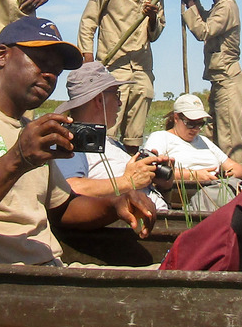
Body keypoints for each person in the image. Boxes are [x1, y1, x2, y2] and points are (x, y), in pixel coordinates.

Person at [0, 17, 155, 264]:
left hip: (49, 269)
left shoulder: (28, 129)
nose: (50, 75)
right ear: (2, 55)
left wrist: (115, 205)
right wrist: (18, 159)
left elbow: (63, 209)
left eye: (57, 71)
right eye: (41, 62)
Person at [77, 0, 178, 150]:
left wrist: (152, 18)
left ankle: (131, 176)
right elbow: (89, 20)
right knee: (106, 132)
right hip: (113, 67)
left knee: (135, 136)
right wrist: (87, 59)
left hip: (142, 70)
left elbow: (156, 34)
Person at [56, 61, 171, 213]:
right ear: (99, 100)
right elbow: (68, 188)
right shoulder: (72, 140)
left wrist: (162, 182)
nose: (119, 103)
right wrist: (127, 181)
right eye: (116, 95)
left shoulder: (111, 143)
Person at [179, 0, 242, 163]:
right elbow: (207, 20)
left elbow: (204, 31)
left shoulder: (227, 7)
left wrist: (191, 3)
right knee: (214, 132)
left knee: (228, 138)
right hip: (220, 79)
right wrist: (194, 1)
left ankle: (235, 181)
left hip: (227, 78)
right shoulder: (221, 6)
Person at [143, 93, 242, 213]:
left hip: (217, 188)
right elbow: (152, 169)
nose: (196, 129)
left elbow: (236, 168)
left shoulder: (204, 141)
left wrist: (229, 173)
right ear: (176, 118)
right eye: (191, 123)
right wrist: (194, 175)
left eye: (200, 124)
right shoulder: (161, 137)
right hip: (188, 194)